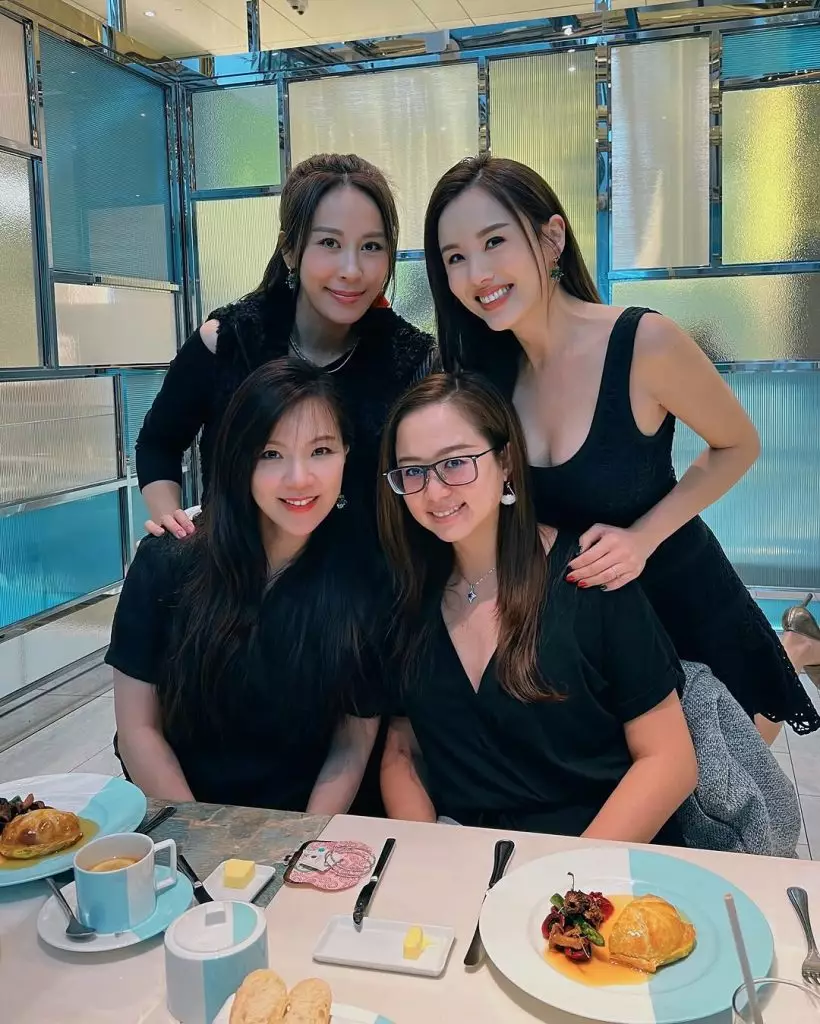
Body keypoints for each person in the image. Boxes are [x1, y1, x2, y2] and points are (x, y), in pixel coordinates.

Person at [422, 153, 820, 740]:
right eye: (455, 257)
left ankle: (796, 647)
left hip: (686, 612)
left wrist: (642, 537)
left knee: (714, 787)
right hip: (590, 642)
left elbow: (738, 444)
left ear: (552, 238)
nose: (477, 273)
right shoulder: (482, 378)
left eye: (494, 241)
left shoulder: (643, 343)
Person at [377, 372, 697, 843]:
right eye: (413, 471)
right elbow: (403, 747)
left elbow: (669, 761)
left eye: (456, 463)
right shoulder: (408, 597)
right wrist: (428, 853)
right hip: (466, 863)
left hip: (597, 862)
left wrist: (565, 876)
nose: (435, 491)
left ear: (505, 461)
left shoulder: (590, 574)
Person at [108, 359, 383, 812]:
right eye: (271, 454)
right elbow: (138, 730)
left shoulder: (365, 575)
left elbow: (353, 740)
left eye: (321, 450)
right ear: (240, 459)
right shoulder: (167, 560)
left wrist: (304, 839)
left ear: (346, 454)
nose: (299, 478)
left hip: (306, 826)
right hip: (182, 820)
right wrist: (204, 837)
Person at [136, 152, 435, 539]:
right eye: (329, 242)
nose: (352, 270)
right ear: (290, 250)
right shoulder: (228, 341)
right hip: (237, 570)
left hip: (363, 576)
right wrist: (172, 530)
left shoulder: (412, 361)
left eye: (372, 246)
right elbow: (159, 442)